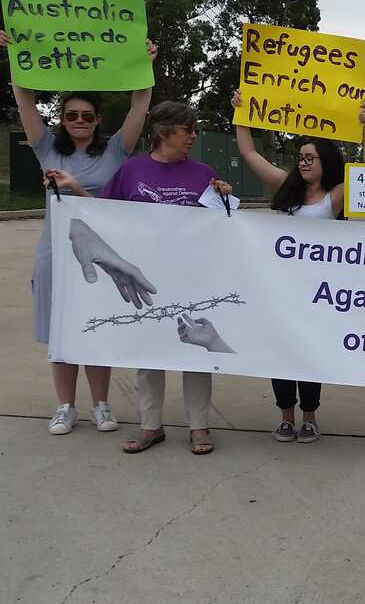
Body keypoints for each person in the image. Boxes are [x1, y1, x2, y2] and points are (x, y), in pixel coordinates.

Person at [1, 31, 158, 435]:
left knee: (94, 325)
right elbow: (24, 101)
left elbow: (141, 104)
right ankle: (65, 406)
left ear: (98, 120)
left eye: (87, 116)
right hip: (56, 252)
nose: (79, 122)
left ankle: (101, 406)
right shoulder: (46, 149)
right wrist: (17, 59)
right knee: (61, 331)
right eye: (71, 116)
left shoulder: (115, 152)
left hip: (100, 253)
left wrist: (145, 66)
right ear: (62, 119)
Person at [231, 90, 365, 443]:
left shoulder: (335, 196)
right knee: (280, 352)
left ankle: (310, 415)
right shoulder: (285, 186)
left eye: (311, 157)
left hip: (318, 291)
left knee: (309, 353)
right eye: (300, 157)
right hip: (281, 289)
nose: (303, 162)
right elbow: (249, 152)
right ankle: (285, 416)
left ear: (327, 161)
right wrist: (241, 115)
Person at [101, 101, 233, 455]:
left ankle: (199, 426)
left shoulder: (204, 172)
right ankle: (150, 426)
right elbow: (102, 215)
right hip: (145, 282)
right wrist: (64, 191)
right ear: (163, 132)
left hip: (194, 280)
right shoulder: (131, 170)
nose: (193, 136)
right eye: (187, 129)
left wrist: (224, 197)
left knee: (196, 351)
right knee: (149, 355)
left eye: (195, 129)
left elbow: (223, 228)